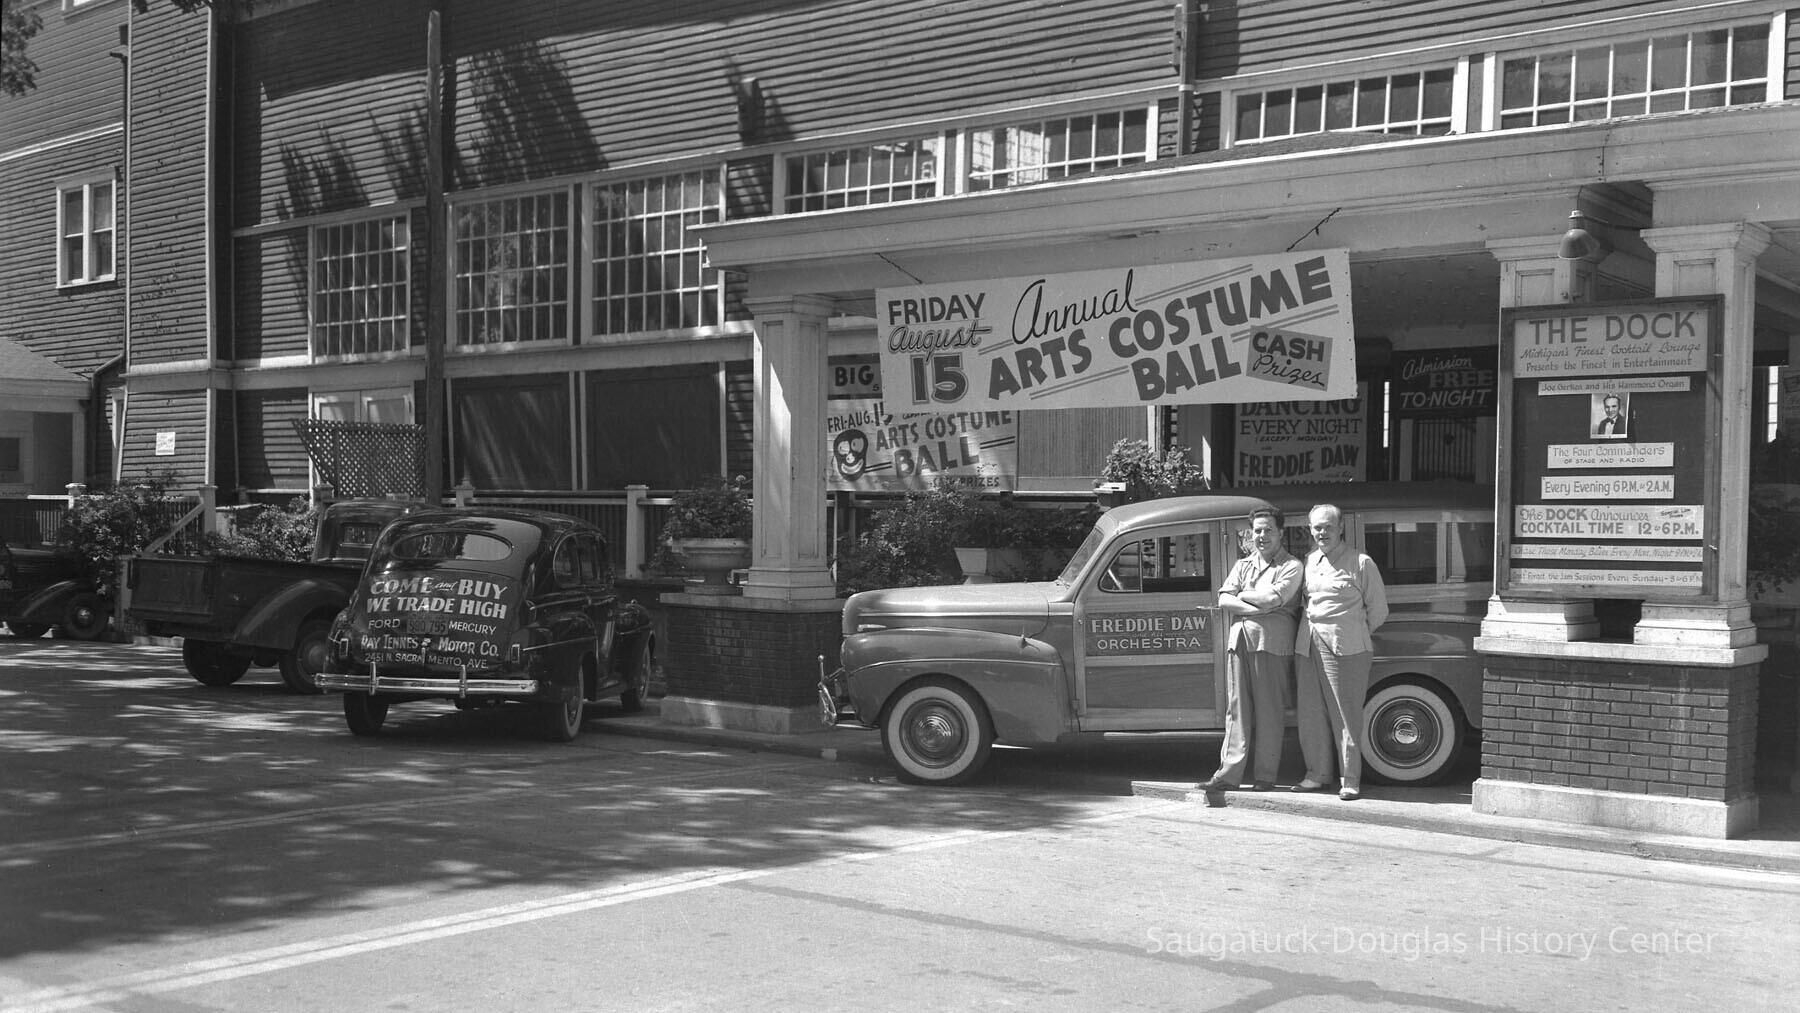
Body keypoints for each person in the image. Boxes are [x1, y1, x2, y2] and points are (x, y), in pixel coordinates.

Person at [1200, 507, 1303, 804]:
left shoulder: (1292, 566)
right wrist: (1256, 609)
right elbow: (1223, 599)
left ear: (1280, 533)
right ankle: (1227, 775)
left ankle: (1265, 776)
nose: (1262, 536)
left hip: (1271, 643)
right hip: (1239, 642)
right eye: (1257, 530)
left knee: (1270, 709)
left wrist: (1242, 596)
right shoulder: (1243, 565)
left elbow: (1272, 598)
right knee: (1237, 711)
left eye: (1268, 530)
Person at [1292, 503, 1388, 801]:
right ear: (1310, 530)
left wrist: (1353, 631)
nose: (1322, 532)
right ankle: (1316, 774)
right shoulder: (1309, 561)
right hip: (1308, 644)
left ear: (1341, 528)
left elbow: (1379, 610)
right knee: (1310, 712)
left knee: (1346, 715)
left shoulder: (1361, 563)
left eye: (1328, 527)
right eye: (1317, 527)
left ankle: (1350, 779)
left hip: (1347, 648)